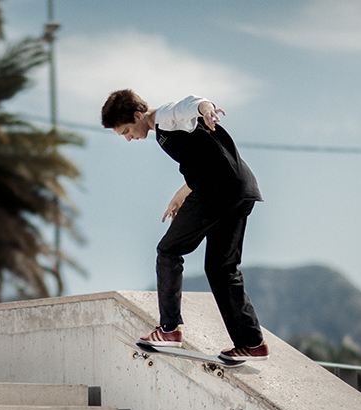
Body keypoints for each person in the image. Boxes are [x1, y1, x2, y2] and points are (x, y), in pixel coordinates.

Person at [100, 89, 269, 362]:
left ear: (137, 115)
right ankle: (252, 343)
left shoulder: (165, 117)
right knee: (221, 267)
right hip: (239, 188)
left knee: (168, 251)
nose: (130, 138)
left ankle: (169, 330)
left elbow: (189, 104)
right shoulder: (165, 130)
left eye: (127, 130)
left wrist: (205, 108)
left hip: (216, 191)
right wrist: (182, 194)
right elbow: (204, 162)